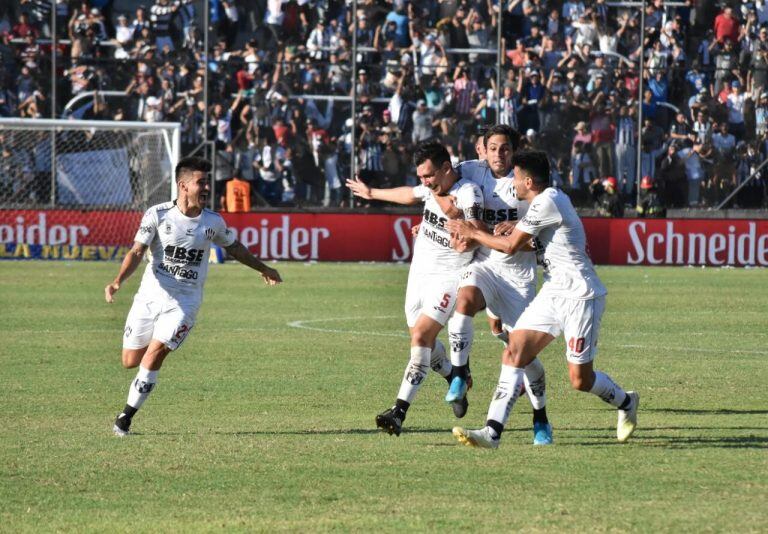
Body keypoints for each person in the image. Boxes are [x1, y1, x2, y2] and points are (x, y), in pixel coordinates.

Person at [447, 150, 638, 449]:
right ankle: (492, 432)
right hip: (553, 291)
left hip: (581, 296)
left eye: (516, 178)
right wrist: (517, 230)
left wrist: (471, 232)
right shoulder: (546, 201)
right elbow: (536, 241)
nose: (512, 183)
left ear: (527, 180)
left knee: (580, 380)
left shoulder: (548, 200)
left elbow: (510, 247)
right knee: (514, 351)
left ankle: (627, 402)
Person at [105, 157, 282, 436]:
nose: (207, 187)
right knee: (130, 360)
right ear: (183, 185)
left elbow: (234, 248)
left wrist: (263, 268)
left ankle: (125, 417)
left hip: (185, 303)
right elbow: (137, 251)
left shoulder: (212, 221)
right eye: (201, 182)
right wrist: (117, 281)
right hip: (149, 298)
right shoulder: (158, 215)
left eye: (207, 182)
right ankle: (144, 373)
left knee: (155, 354)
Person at [346, 141, 485, 435]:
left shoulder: (467, 192)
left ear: (446, 169)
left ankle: (399, 411)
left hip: (449, 276)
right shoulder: (432, 189)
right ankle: (454, 375)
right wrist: (372, 193)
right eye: (421, 176)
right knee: (422, 343)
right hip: (419, 274)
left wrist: (465, 235)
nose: (424, 182)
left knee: (421, 336)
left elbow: (474, 228)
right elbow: (409, 195)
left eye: (429, 176)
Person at [443, 124, 552, 446]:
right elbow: (438, 186)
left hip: (519, 278)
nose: (498, 154)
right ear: (483, 149)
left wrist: (519, 226)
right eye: (492, 148)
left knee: (523, 355)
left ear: (514, 150)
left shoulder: (527, 181)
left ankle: (541, 417)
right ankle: (460, 374)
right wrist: (432, 222)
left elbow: (544, 226)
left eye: (504, 148)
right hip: (486, 265)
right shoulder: (471, 171)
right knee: (464, 302)